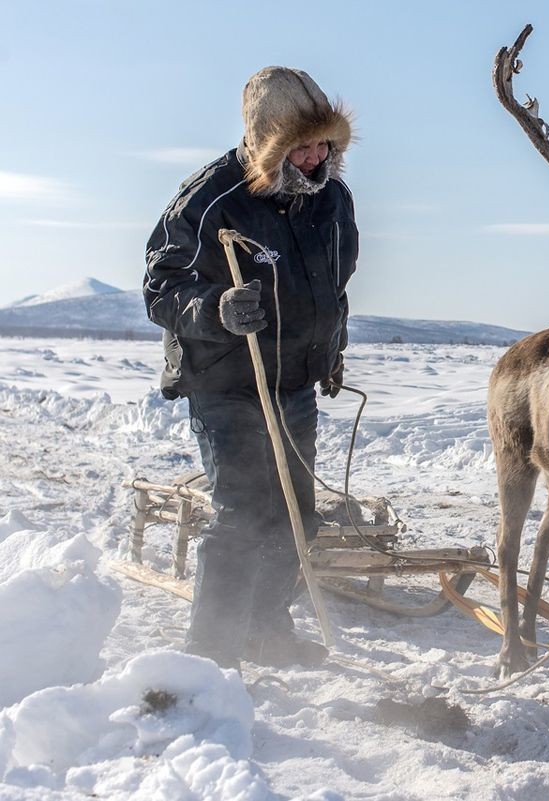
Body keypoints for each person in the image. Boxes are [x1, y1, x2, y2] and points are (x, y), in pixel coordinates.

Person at [143, 66, 358, 670]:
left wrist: (330, 349)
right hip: (226, 381)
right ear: (269, 140)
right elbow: (161, 288)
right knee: (244, 515)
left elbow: (334, 284)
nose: (316, 159)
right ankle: (209, 658)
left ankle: (265, 632)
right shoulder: (211, 200)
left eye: (325, 145)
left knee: (296, 516)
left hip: (293, 382)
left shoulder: (332, 198)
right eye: (302, 146)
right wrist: (215, 308)